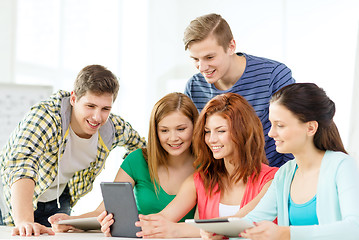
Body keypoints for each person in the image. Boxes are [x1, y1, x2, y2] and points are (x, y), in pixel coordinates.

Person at [0, 65, 146, 236]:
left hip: (57, 201)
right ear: (74, 98)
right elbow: (22, 163)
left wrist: (122, 188)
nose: (97, 117)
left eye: (105, 109)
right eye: (90, 106)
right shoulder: (47, 117)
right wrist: (24, 220)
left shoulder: (112, 129)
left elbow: (142, 149)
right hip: (12, 198)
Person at [120, 92, 278, 238]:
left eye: (221, 131)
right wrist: (119, 224)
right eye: (207, 131)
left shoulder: (273, 179)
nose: (211, 139)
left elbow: (242, 221)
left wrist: (177, 230)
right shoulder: (200, 179)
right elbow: (163, 218)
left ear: (243, 131)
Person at [49, 92, 199, 236]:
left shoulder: (207, 166)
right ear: (155, 132)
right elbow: (104, 212)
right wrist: (71, 222)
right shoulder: (138, 160)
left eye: (181, 129)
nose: (173, 138)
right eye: (164, 130)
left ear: (195, 127)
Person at [235, 83, 359, 240]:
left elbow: (355, 228)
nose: (271, 133)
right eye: (271, 124)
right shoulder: (284, 173)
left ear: (311, 128)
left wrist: (285, 233)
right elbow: (253, 220)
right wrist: (220, 231)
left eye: (280, 125)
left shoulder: (342, 165)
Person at [183, 13, 295, 167]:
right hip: (222, 182)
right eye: (195, 59)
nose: (202, 68)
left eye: (209, 57)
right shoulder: (194, 87)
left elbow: (293, 134)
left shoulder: (274, 75)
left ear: (231, 47)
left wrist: (283, 181)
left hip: (273, 177)